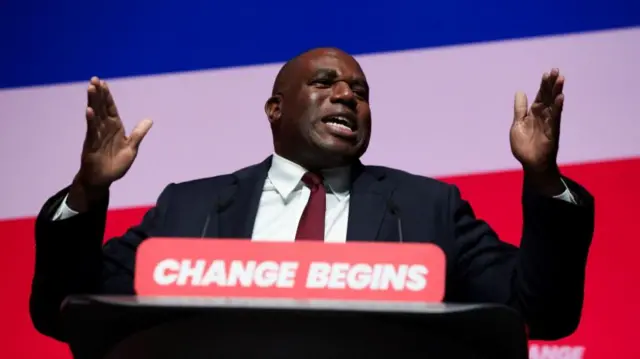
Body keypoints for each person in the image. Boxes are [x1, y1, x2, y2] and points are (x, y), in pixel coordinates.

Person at [30, 47, 594, 343]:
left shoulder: (427, 209)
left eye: (360, 92)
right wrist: (88, 190)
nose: (346, 95)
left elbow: (539, 313)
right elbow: (66, 311)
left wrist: (544, 179)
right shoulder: (191, 208)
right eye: (324, 83)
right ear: (275, 109)